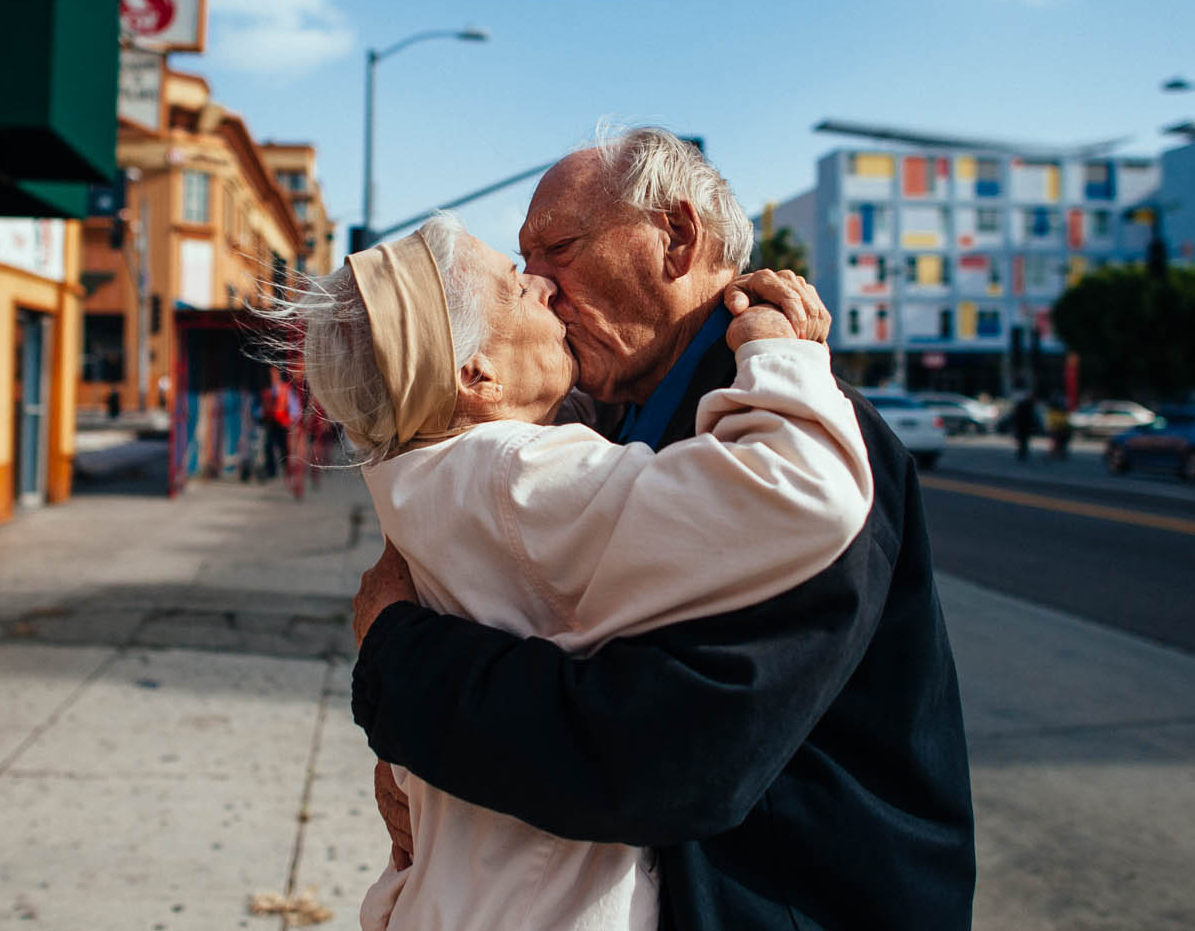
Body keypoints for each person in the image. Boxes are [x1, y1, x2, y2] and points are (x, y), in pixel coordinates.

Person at [351, 128, 975, 931]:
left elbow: (659, 757)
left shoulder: (806, 441)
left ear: (676, 239)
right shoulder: (609, 421)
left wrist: (394, 661)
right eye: (522, 264)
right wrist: (409, 766)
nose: (537, 284)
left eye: (557, 250)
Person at [280, 212, 869, 929]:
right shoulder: (514, 474)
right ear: (475, 374)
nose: (542, 287)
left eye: (555, 251)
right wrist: (778, 351)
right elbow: (803, 490)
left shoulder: (426, 471)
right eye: (515, 280)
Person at [1011, 390, 1038, 462]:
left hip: (1023, 425)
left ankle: (1022, 452)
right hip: (1023, 425)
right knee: (1023, 439)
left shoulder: (1026, 405)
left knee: (1023, 439)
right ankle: (1022, 452)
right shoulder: (1027, 405)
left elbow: (1016, 415)